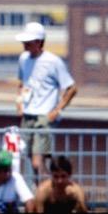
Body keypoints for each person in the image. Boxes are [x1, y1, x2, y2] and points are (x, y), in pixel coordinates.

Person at [14, 21, 77, 180]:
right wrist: (19, 103)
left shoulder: (53, 61)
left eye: (29, 41)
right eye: (25, 41)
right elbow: (22, 83)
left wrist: (57, 110)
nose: (25, 44)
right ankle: (42, 192)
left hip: (44, 117)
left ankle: (45, 193)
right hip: (27, 116)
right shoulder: (23, 59)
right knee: (31, 160)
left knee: (37, 162)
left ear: (39, 42)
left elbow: (71, 88)